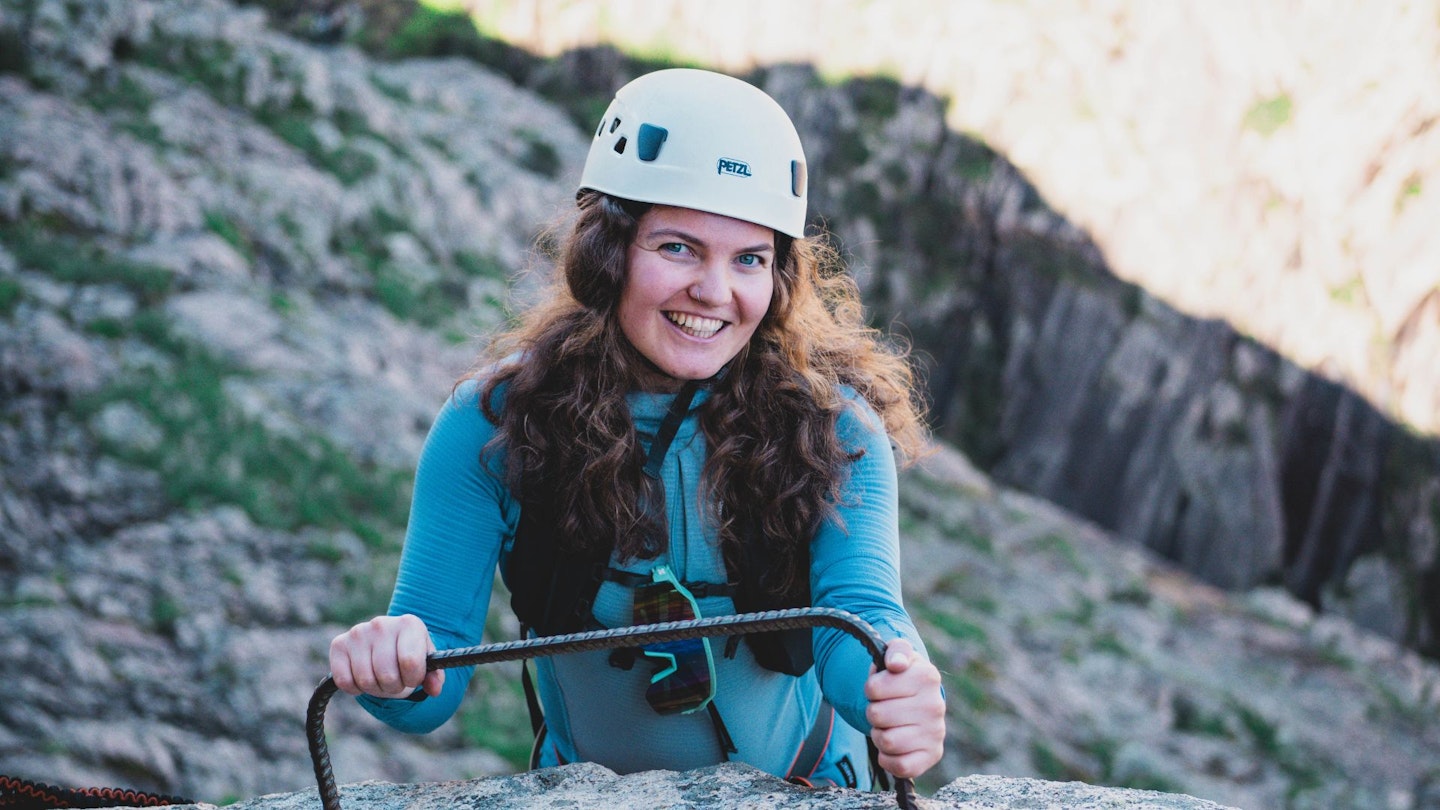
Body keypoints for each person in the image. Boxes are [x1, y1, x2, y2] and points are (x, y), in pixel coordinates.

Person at [328, 68, 946, 789]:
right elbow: (431, 683)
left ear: (777, 281)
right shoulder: (495, 425)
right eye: (678, 248)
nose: (714, 293)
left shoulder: (835, 431)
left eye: (748, 259)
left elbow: (861, 613)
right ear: (608, 251)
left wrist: (893, 676)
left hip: (809, 792)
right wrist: (395, 667)